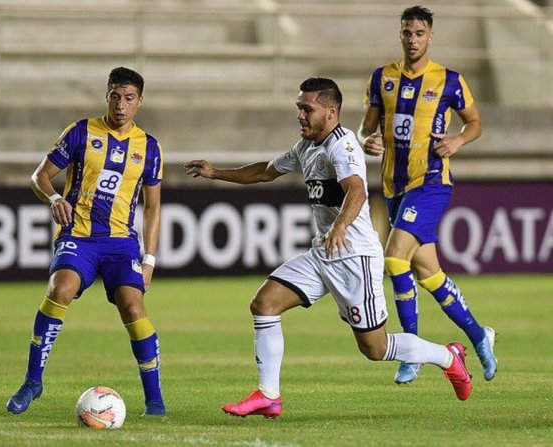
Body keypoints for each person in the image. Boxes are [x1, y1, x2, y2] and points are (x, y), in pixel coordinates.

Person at [185, 77, 473, 418]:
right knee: (264, 304)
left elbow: (357, 190)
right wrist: (215, 172)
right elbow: (264, 172)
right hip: (323, 253)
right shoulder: (306, 147)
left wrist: (339, 227)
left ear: (331, 112)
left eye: (308, 109)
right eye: (299, 108)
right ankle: (268, 395)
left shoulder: (343, 144)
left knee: (376, 348)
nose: (301, 115)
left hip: (355, 257)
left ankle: (447, 356)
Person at [6, 67, 166, 416]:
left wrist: (150, 259)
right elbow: (40, 176)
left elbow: (153, 207)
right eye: (115, 96)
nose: (121, 105)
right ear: (106, 95)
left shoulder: (149, 148)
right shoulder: (81, 132)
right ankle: (33, 381)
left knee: (134, 308)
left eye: (129, 98)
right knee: (59, 290)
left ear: (140, 101)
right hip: (78, 235)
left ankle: (155, 402)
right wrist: (52, 199)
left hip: (121, 242)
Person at [357, 6, 497, 385]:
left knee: (393, 257)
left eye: (419, 33)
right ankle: (480, 337)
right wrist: (366, 140)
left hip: (432, 182)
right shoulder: (381, 78)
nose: (413, 39)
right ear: (400, 34)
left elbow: (476, 123)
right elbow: (365, 128)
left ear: (430, 36)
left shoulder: (449, 80)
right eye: (407, 32)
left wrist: (458, 140)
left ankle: (412, 353)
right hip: (394, 187)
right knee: (429, 274)